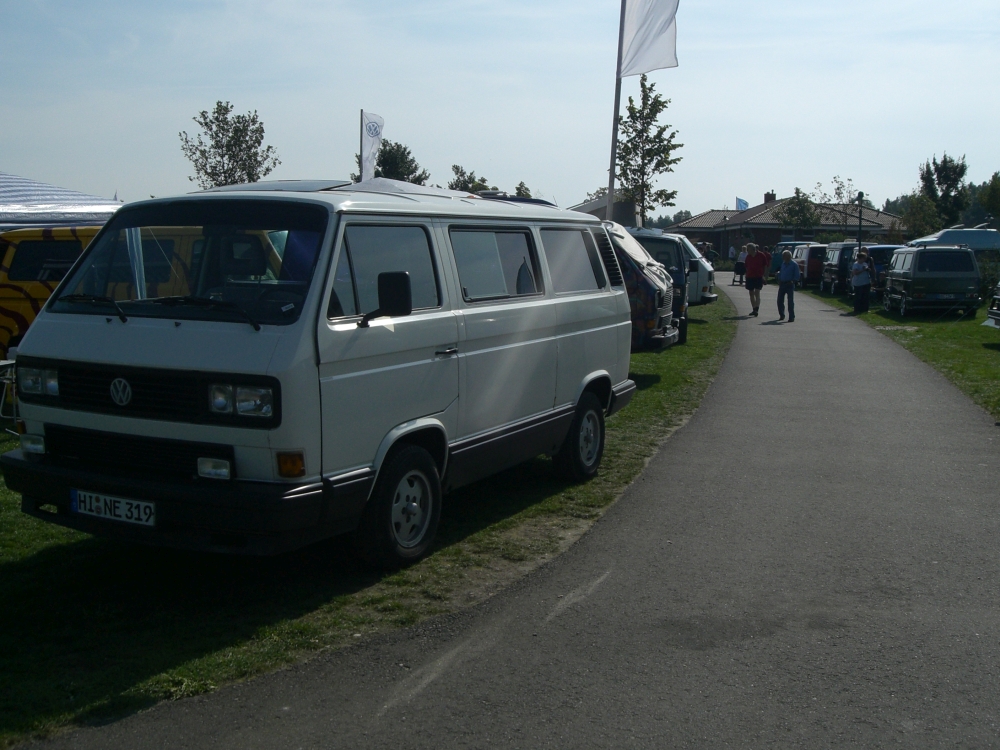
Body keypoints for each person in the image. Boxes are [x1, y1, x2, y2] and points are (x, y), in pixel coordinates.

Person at [743, 243, 768, 316]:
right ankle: (754, 308)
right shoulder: (748, 257)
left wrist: (765, 275)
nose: (747, 251)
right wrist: (746, 274)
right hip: (750, 277)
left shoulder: (761, 255)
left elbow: (765, 265)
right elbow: (746, 266)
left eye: (748, 249)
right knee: (751, 293)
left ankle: (756, 308)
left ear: (752, 249)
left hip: (758, 276)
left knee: (757, 292)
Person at [776, 249, 800, 322]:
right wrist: (779, 278)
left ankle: (791, 317)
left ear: (788, 256)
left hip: (789, 284)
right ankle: (782, 315)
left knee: (790, 301)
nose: (783, 257)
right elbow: (781, 272)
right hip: (782, 284)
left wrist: (793, 281)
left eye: (784, 256)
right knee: (779, 301)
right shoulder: (783, 264)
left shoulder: (794, 264)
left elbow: (797, 275)